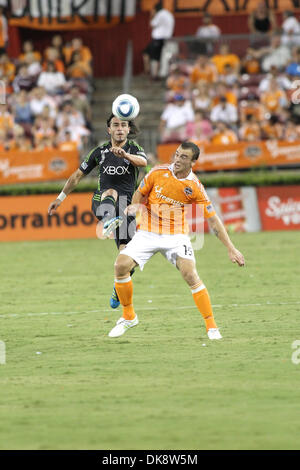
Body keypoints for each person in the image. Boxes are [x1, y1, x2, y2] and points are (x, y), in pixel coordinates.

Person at [108, 141, 245, 339]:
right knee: (120, 266)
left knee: (190, 274)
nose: (177, 160)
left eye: (184, 157)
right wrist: (134, 207)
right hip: (148, 232)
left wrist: (231, 248)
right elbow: (140, 193)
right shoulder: (157, 172)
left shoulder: (194, 186)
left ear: (193, 162)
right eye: (177, 154)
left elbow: (213, 220)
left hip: (176, 235)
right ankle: (129, 317)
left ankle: (212, 327)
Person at [48, 114, 147, 308]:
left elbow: (143, 162)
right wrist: (60, 198)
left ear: (128, 130)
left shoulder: (135, 149)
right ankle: (109, 220)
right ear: (109, 130)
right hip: (103, 201)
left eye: (123, 125)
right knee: (110, 191)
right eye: (115, 125)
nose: (119, 128)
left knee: (127, 258)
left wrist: (125, 155)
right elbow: (77, 176)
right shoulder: (100, 151)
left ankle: (118, 287)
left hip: (126, 209)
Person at [143, 1, 175, 80]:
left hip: (158, 39)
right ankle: (154, 73)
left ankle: (154, 75)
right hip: (167, 39)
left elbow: (151, 25)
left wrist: (152, 15)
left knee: (153, 56)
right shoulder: (169, 14)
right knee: (159, 57)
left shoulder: (159, 14)